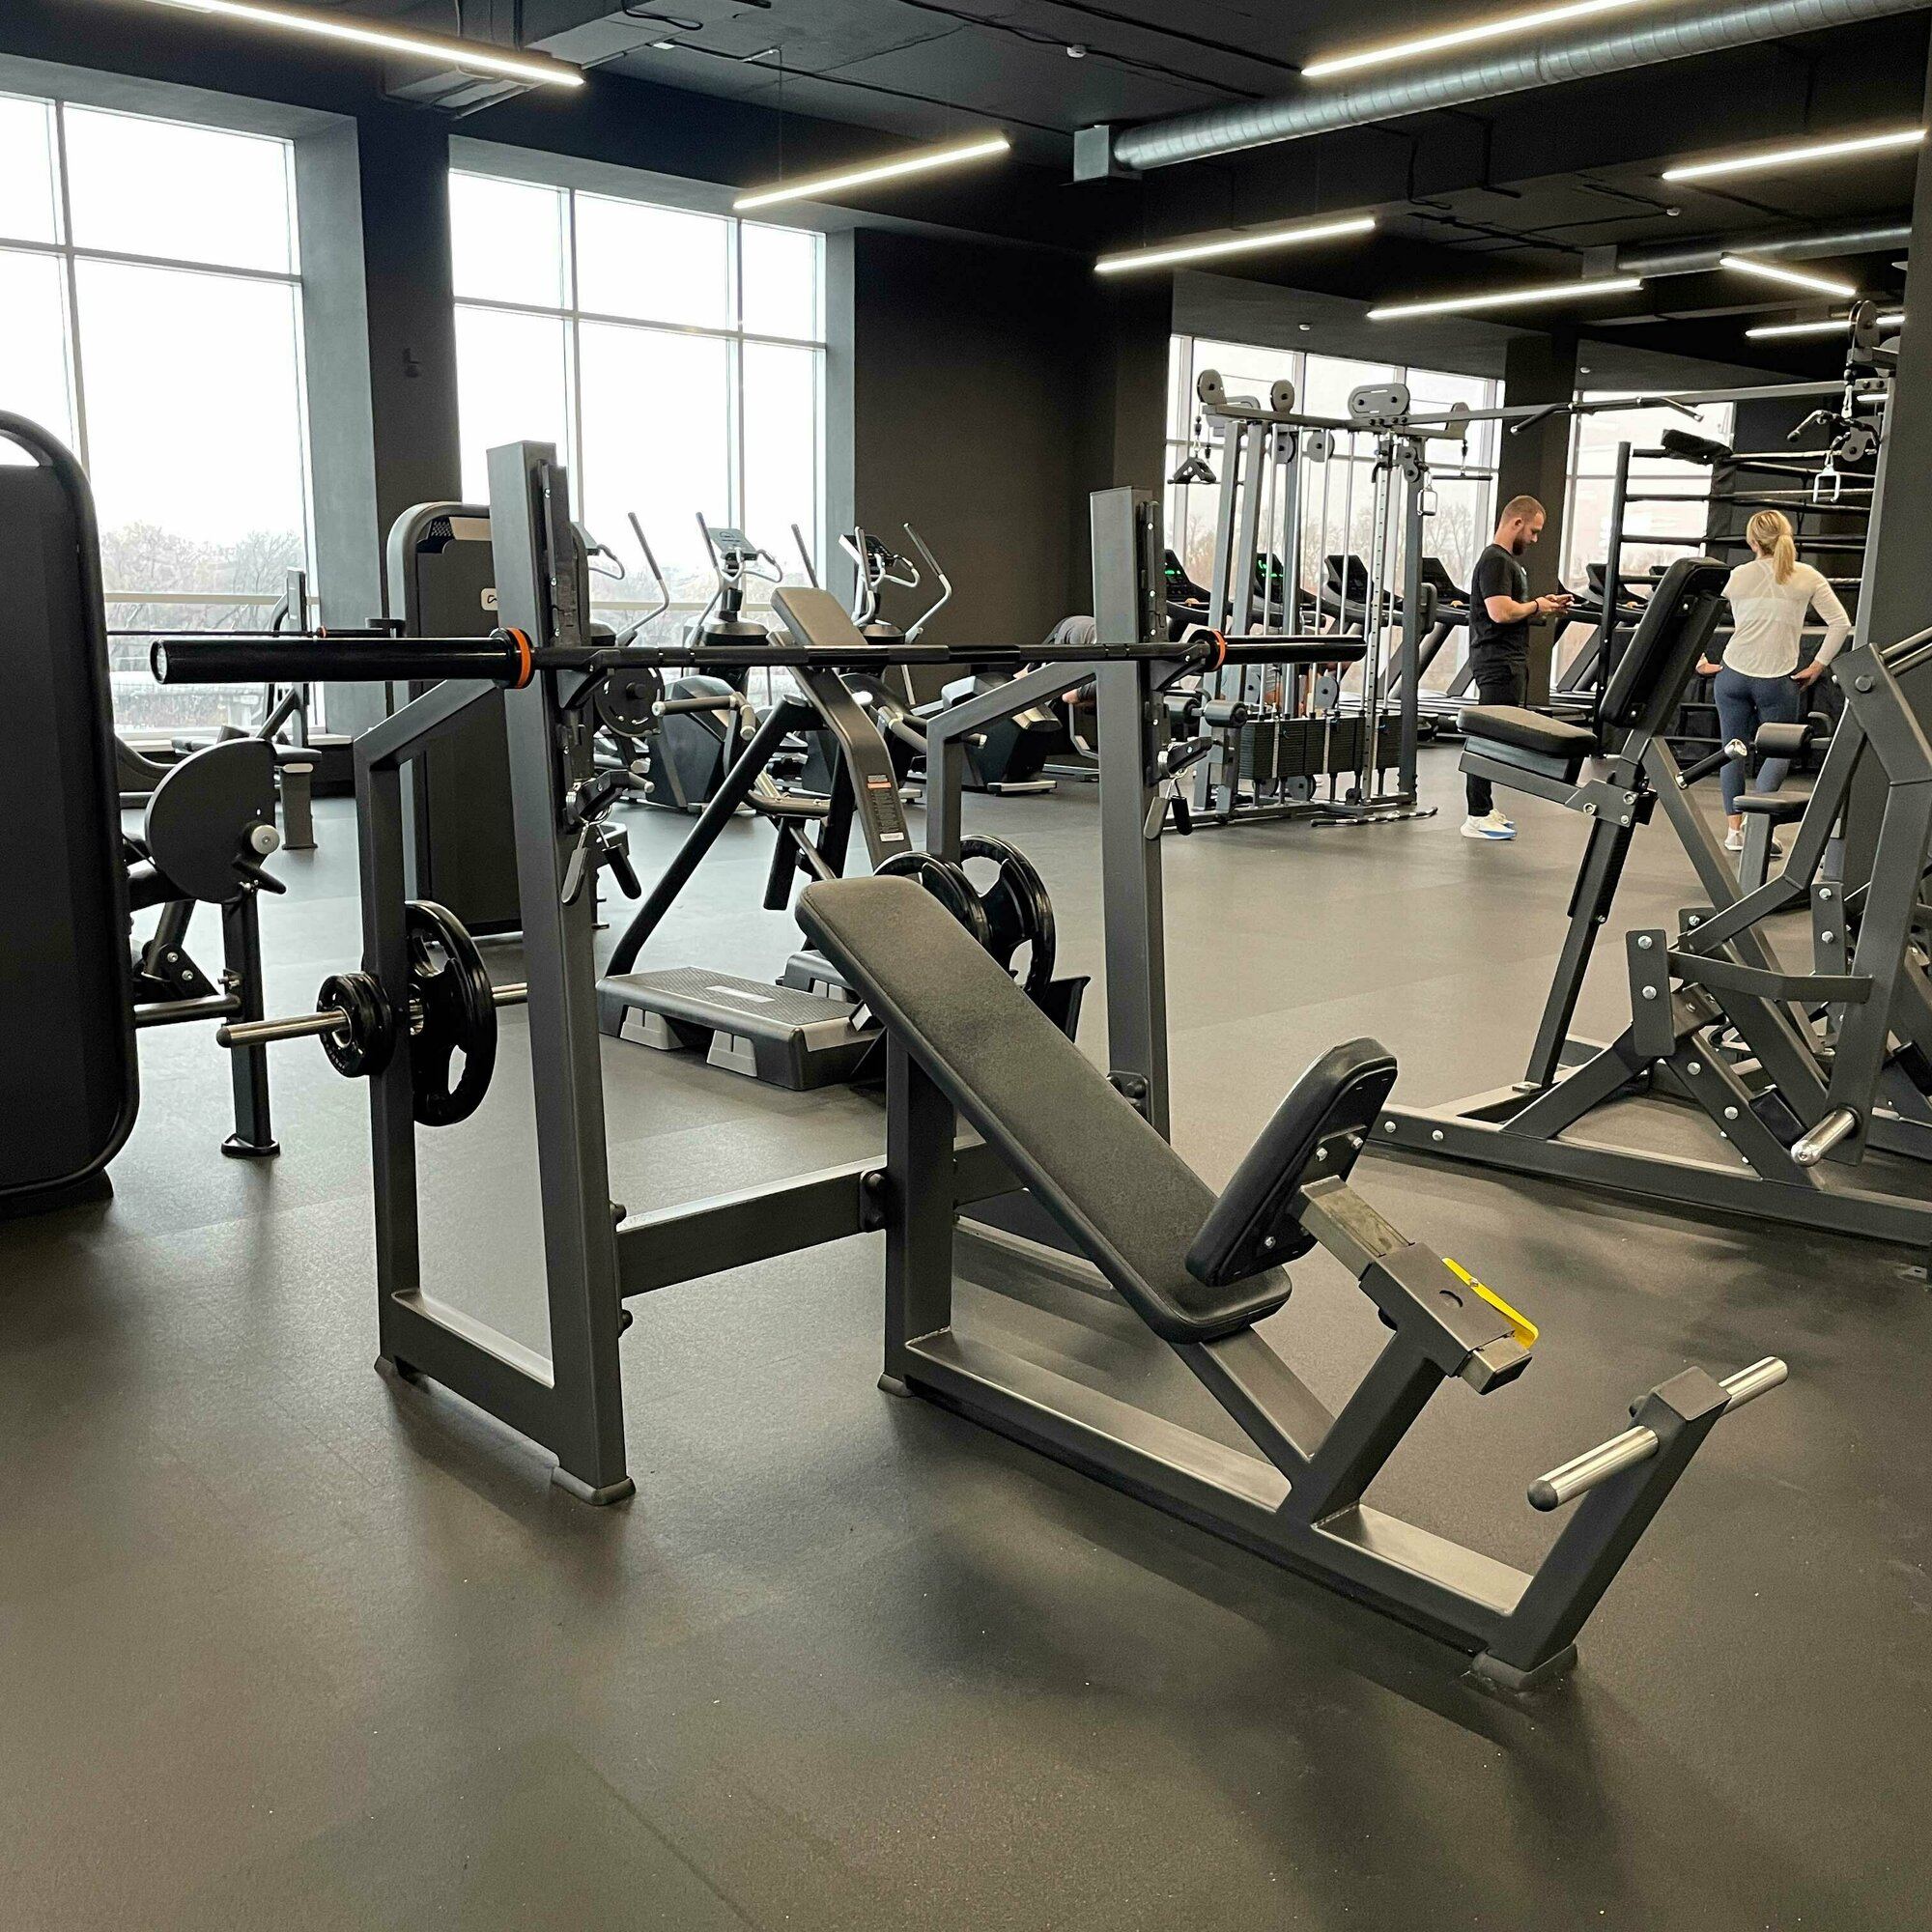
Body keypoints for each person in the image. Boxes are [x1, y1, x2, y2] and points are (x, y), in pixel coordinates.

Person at [1697, 509, 1850, 851]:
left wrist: (1699, 660)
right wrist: (1818, 665)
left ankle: (1734, 832)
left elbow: (1694, 613)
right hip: (1777, 680)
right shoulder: (1807, 576)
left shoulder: (1737, 576)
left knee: (1731, 750)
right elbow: (1840, 623)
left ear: (1752, 542)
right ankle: (1758, 824)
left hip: (1733, 674)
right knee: (1779, 752)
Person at [1461, 497, 1572, 840]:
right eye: (1533, 532)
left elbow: (1513, 610)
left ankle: (1484, 807)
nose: (1535, 539)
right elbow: (1500, 612)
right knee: (1487, 738)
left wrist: (1543, 607)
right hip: (1496, 662)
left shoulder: (1509, 563)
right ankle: (1476, 814)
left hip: (1509, 660)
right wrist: (1536, 604)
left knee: (1496, 738)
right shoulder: (1495, 560)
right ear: (1517, 523)